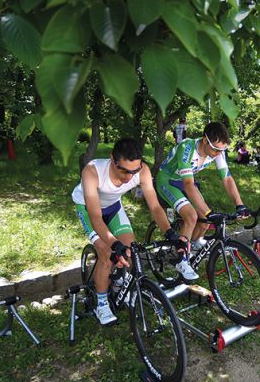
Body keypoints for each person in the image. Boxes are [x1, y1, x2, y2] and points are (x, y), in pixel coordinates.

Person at [72, 138, 190, 325]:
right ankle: (101, 304)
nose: (128, 177)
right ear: (113, 159)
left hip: (113, 207)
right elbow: (95, 216)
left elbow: (155, 207)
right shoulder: (92, 171)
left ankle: (119, 283)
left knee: (129, 249)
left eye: (133, 171)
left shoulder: (142, 170)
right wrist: (113, 243)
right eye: (124, 171)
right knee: (106, 253)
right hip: (88, 209)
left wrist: (170, 234)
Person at [156, 122, 250, 267]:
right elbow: (188, 184)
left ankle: (188, 248)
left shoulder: (217, 149)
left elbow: (227, 178)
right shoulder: (187, 147)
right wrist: (207, 211)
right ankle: (182, 263)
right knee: (192, 216)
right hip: (168, 181)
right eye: (216, 150)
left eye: (222, 150)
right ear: (205, 140)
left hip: (185, 181)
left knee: (204, 223)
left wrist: (240, 204)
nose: (219, 153)